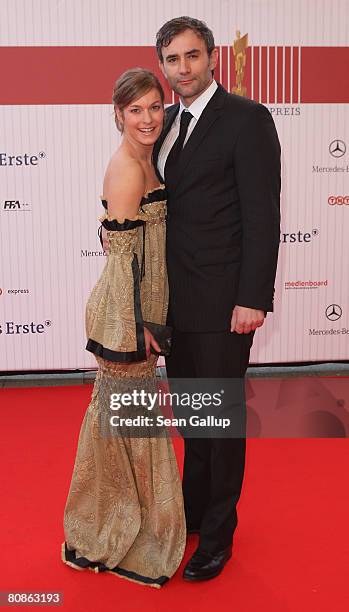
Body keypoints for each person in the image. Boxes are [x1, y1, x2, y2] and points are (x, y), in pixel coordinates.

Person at [152, 17, 281, 581]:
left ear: (212, 59)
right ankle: (194, 510)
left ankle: (218, 536)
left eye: (193, 57)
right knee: (194, 418)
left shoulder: (247, 120)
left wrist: (252, 296)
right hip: (176, 304)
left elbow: (262, 216)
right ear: (162, 65)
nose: (183, 69)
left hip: (226, 303)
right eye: (173, 59)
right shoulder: (163, 124)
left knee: (222, 423)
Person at [62, 68, 186, 588]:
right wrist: (142, 327)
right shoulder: (127, 170)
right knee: (127, 424)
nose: (147, 118)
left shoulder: (146, 158)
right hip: (126, 320)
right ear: (117, 114)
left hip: (138, 314)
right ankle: (116, 531)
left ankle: (122, 523)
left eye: (155, 107)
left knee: (126, 424)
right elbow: (122, 262)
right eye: (135, 110)